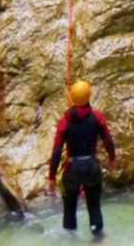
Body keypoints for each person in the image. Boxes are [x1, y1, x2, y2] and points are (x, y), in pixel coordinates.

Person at [48, 79, 116, 234]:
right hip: (92, 166)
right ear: (89, 97)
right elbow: (107, 140)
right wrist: (112, 158)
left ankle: (70, 238)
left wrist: (51, 176)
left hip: (72, 168)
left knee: (69, 209)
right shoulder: (97, 117)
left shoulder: (65, 121)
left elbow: (57, 151)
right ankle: (98, 238)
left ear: (72, 98)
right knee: (94, 207)